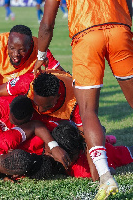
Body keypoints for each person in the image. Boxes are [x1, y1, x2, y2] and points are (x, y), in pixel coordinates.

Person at [34, 0, 133, 199]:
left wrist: (41, 54)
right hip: (120, 29)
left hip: (86, 34)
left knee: (88, 111)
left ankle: (105, 177)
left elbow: (47, 23)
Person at [0, 24, 64, 110]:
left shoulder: (39, 48)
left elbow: (60, 73)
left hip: (18, 90)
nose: (16, 54)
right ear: (8, 42)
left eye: (22, 50)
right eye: (12, 48)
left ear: (30, 45)